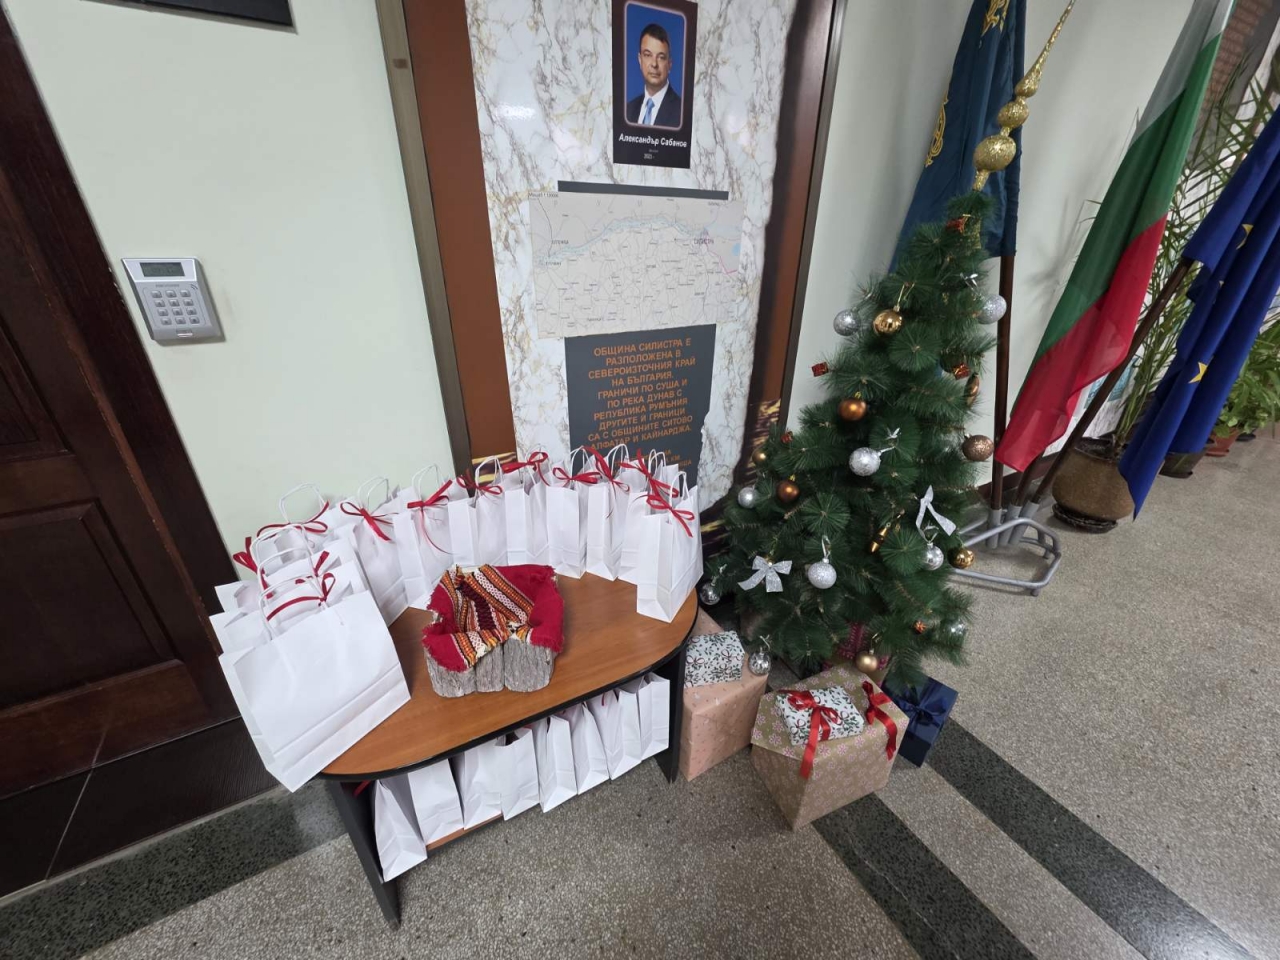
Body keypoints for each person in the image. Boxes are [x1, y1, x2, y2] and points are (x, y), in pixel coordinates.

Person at [625, 22, 681, 128]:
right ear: (640, 60)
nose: (654, 64)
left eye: (661, 57)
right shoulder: (628, 110)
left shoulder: (682, 112)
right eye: (647, 55)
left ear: (669, 64)